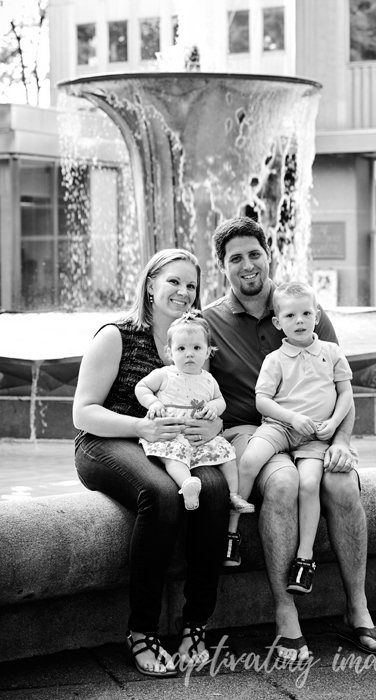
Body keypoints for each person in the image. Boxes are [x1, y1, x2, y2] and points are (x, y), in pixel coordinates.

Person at [203, 216, 376, 661]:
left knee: (342, 483)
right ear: (222, 266)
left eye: (255, 254)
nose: (248, 265)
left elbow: (340, 383)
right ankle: (285, 614)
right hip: (254, 431)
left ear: (268, 254)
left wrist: (343, 441)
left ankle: (357, 611)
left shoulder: (304, 308)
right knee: (284, 484)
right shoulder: (210, 322)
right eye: (236, 258)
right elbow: (188, 378)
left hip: (314, 432)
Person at [73, 249, 230, 678]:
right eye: (174, 281)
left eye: (192, 285)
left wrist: (212, 425)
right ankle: (141, 631)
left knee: (215, 490)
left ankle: (195, 625)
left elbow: (210, 400)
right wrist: (140, 428)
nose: (183, 292)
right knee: (161, 494)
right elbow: (83, 412)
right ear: (150, 284)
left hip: (174, 446)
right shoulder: (117, 335)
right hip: (107, 441)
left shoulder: (194, 339)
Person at [226, 282, 353, 598]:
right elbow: (262, 401)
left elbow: (346, 393)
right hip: (279, 427)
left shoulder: (332, 353)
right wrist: (291, 418)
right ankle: (230, 535)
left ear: (317, 315)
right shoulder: (275, 359)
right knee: (250, 459)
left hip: (314, 437)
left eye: (306, 313)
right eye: (291, 315)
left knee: (309, 484)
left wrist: (335, 426)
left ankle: (305, 559)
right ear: (277, 322)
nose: (300, 321)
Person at [134, 310, 254, 514]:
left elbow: (220, 401)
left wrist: (212, 408)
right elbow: (141, 387)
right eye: (181, 348)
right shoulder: (165, 374)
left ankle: (234, 496)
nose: (189, 353)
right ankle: (187, 484)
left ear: (208, 352)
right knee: (174, 459)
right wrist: (153, 403)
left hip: (200, 438)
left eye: (197, 348)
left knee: (227, 456)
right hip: (172, 434)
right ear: (170, 352)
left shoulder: (208, 379)